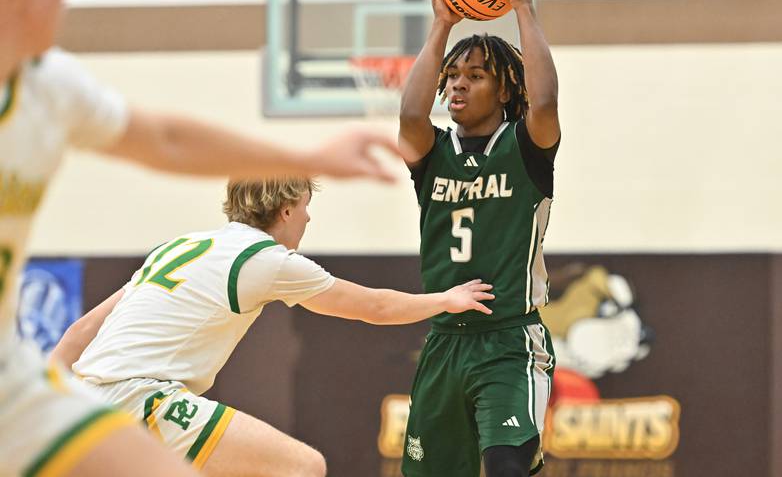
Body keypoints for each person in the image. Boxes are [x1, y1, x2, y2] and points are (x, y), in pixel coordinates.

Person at [0, 0, 400, 475]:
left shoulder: (52, 87)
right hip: (125, 389)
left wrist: (311, 153)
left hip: (26, 381)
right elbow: (367, 307)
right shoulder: (260, 256)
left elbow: (166, 138)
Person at [51, 177, 495, 477]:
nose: (307, 218)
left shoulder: (177, 246)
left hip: (85, 403)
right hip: (141, 399)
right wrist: (446, 299)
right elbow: (373, 306)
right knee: (302, 466)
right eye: (305, 205)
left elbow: (80, 331)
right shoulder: (263, 260)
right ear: (284, 208)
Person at [397, 0, 560, 477]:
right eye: (453, 76)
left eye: (475, 75)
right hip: (444, 341)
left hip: (510, 341)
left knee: (507, 468)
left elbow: (546, 103)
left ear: (505, 87)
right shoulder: (432, 153)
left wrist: (524, 10)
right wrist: (442, 23)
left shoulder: (526, 148)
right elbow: (409, 112)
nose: (457, 84)